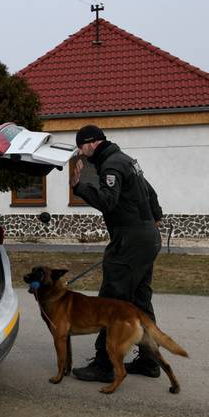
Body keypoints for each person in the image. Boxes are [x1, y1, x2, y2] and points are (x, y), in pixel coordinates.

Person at [70, 125, 164, 382]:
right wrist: (155, 218)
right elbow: (150, 192)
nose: (81, 152)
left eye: (81, 146)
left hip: (130, 240)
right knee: (139, 302)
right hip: (145, 238)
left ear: (91, 143)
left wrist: (79, 187)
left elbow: (107, 202)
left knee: (112, 301)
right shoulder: (126, 160)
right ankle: (149, 360)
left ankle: (105, 365)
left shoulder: (111, 164)